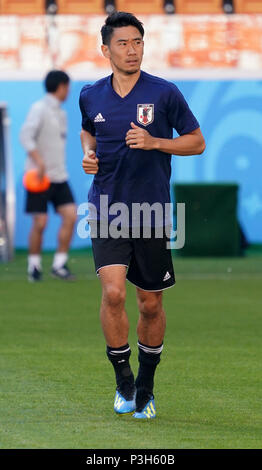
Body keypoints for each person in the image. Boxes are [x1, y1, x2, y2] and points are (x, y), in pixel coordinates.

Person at [79, 12, 205, 419]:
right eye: (123, 43)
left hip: (151, 210)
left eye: (137, 42)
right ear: (106, 49)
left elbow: (197, 142)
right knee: (113, 293)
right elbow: (88, 129)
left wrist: (155, 142)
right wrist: (88, 153)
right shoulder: (91, 95)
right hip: (106, 208)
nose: (131, 50)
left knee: (150, 304)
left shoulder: (165, 93)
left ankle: (147, 386)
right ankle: (124, 384)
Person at [20, 70, 77, 282]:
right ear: (61, 86)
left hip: (59, 176)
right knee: (40, 223)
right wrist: (39, 161)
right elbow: (25, 136)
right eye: (67, 86)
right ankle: (33, 267)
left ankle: (59, 264)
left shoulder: (61, 113)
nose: (68, 91)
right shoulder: (39, 109)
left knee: (71, 216)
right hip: (39, 176)